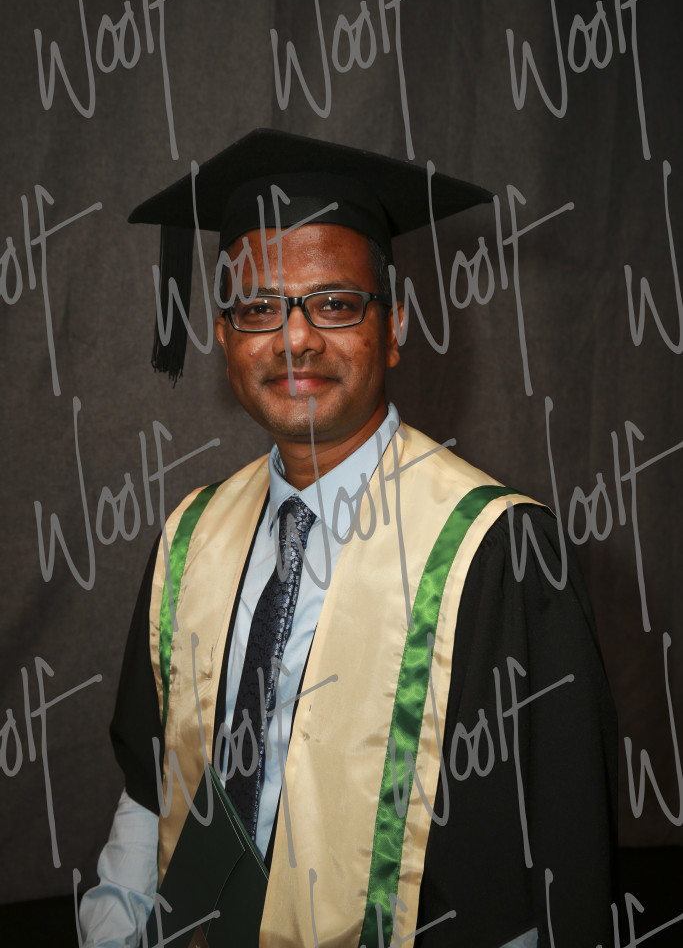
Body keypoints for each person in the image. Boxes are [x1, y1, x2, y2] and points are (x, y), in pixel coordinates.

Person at [79, 130, 617, 948]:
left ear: (392, 327)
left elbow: (553, 861)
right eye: (258, 308)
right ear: (224, 336)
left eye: (334, 304)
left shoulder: (498, 554)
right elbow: (153, 789)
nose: (294, 339)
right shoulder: (190, 538)